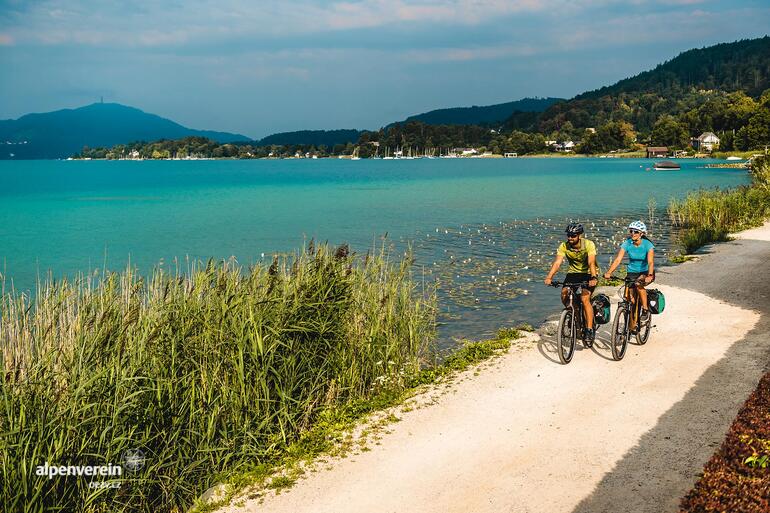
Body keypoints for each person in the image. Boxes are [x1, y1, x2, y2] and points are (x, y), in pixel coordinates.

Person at [544, 222, 599, 342]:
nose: (570, 238)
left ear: (579, 235)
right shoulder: (564, 246)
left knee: (585, 299)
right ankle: (575, 314)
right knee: (564, 293)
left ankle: (589, 329)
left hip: (589, 272)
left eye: (573, 236)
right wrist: (549, 277)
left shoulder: (588, 244)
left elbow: (591, 262)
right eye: (568, 235)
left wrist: (594, 278)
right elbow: (557, 262)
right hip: (573, 273)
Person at [603, 220, 655, 332]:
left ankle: (645, 310)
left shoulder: (648, 245)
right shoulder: (627, 243)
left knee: (638, 284)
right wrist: (609, 272)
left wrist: (650, 275)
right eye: (631, 231)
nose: (632, 233)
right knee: (629, 298)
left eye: (636, 231)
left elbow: (650, 262)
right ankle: (632, 323)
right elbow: (618, 260)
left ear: (642, 233)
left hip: (645, 272)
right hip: (631, 272)